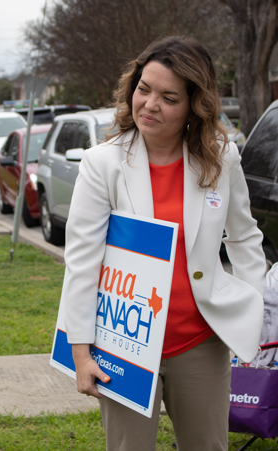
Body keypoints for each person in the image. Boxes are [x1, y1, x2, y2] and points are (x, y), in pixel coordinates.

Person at [61, 36, 265, 450]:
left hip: (199, 343)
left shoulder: (221, 158)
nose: (150, 104)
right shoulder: (102, 164)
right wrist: (81, 354)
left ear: (195, 105)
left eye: (169, 97)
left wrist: (253, 313)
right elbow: (82, 264)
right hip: (123, 345)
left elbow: (244, 236)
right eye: (144, 89)